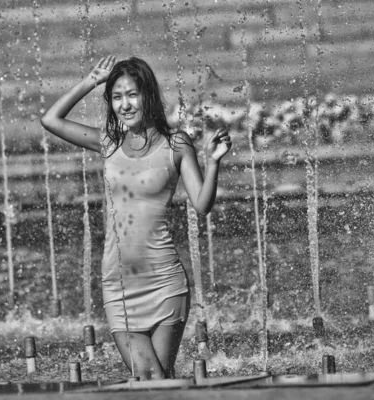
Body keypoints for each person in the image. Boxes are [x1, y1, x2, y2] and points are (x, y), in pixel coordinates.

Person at [40, 55, 231, 380]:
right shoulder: (108, 144)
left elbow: (201, 204)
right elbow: (51, 119)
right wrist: (91, 81)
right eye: (116, 97)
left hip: (165, 282)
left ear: (148, 96)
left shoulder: (176, 144)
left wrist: (213, 163)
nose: (125, 104)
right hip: (119, 285)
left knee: (159, 378)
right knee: (148, 375)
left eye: (132, 95)